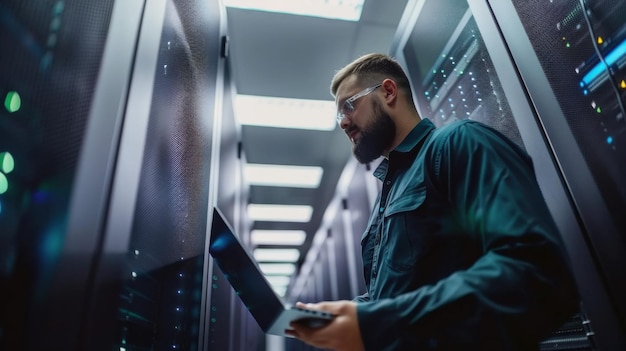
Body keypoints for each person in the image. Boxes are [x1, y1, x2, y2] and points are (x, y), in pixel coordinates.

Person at [286, 53, 579, 350]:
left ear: (388, 92)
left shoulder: (458, 143)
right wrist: (342, 317)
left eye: (349, 106)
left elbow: (535, 272)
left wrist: (377, 323)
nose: (343, 123)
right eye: (339, 115)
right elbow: (392, 296)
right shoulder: (386, 197)